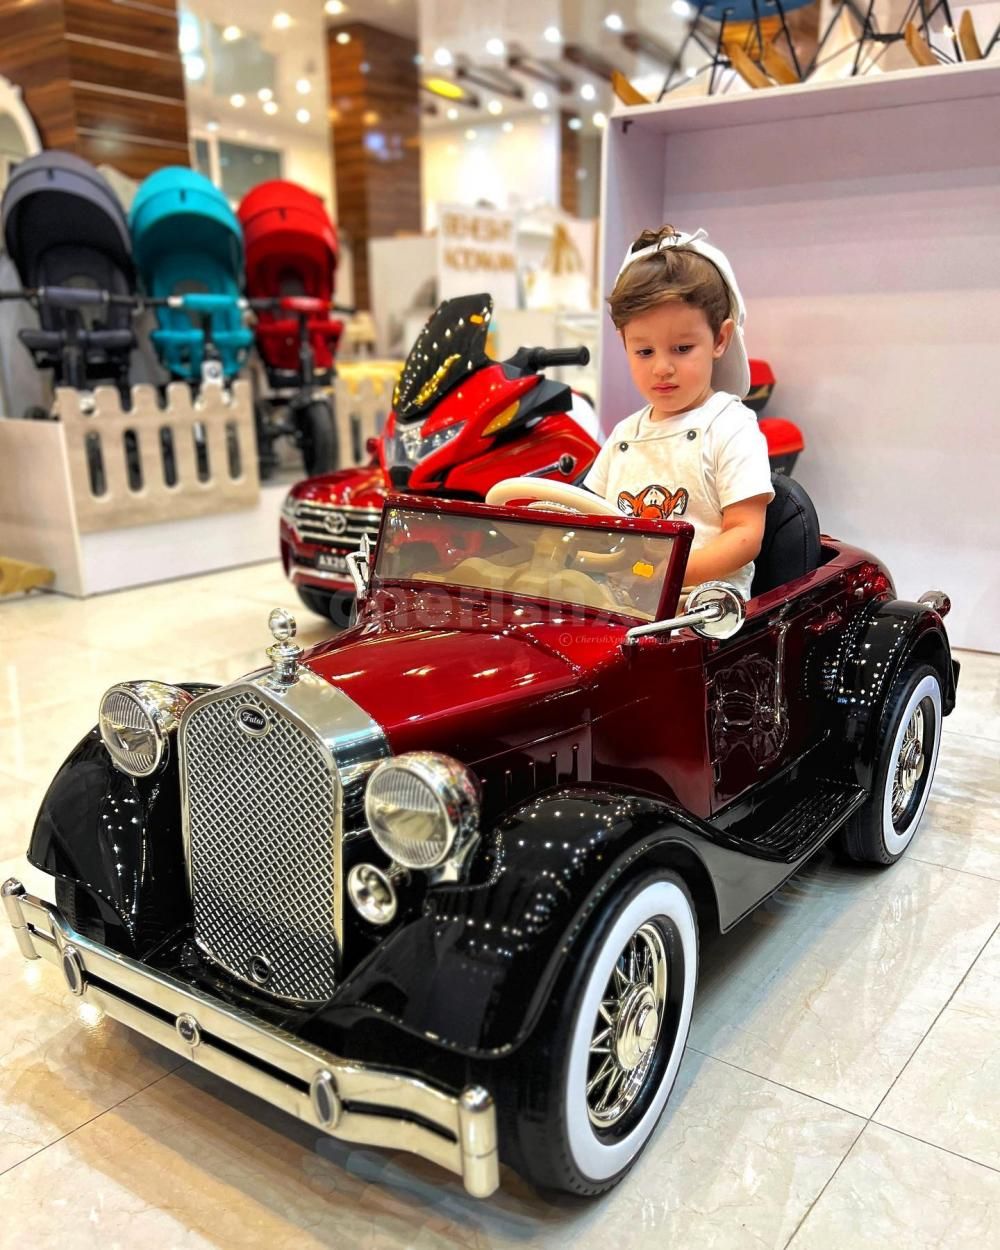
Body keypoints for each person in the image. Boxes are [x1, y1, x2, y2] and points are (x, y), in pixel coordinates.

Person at [584, 225, 774, 601]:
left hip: (703, 612)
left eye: (682, 348)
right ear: (624, 342)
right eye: (644, 352)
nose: (662, 368)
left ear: (719, 339)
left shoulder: (730, 427)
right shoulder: (624, 435)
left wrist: (665, 574)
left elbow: (745, 534)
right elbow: (590, 519)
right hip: (623, 606)